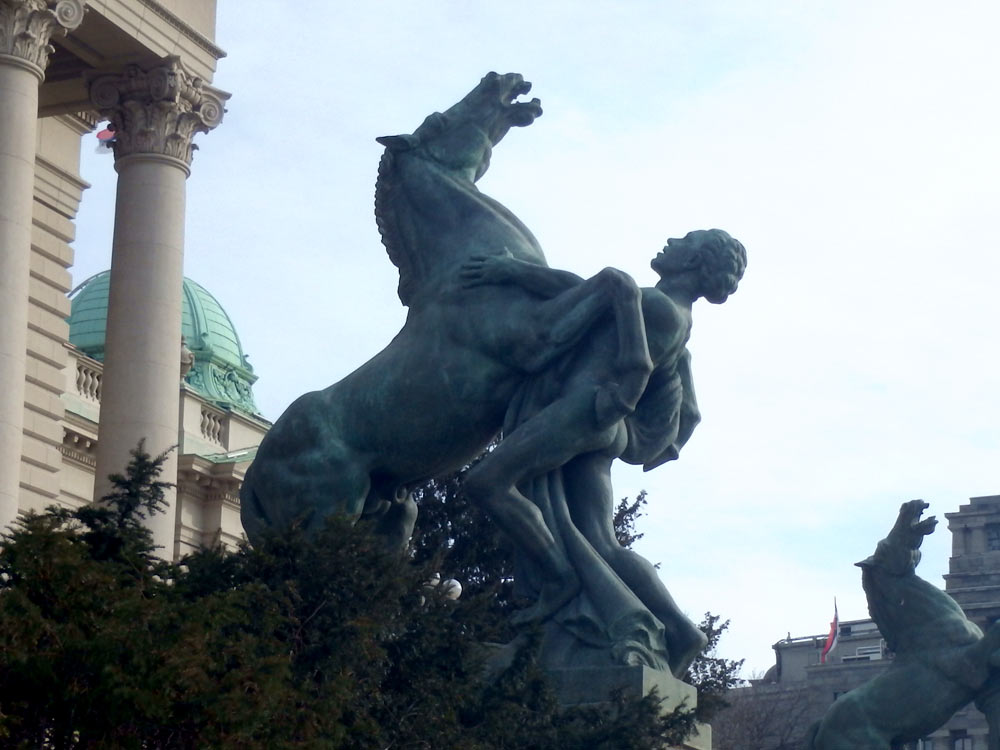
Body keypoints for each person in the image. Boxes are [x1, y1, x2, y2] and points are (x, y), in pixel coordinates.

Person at [461, 228, 746, 675]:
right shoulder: (672, 312)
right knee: (601, 540)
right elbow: (587, 292)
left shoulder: (656, 306)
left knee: (487, 482)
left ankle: (558, 577)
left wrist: (514, 271)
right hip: (604, 422)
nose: (671, 242)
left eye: (683, 241)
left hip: (585, 411)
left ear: (694, 261)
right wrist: (516, 270)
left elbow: (598, 311)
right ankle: (680, 629)